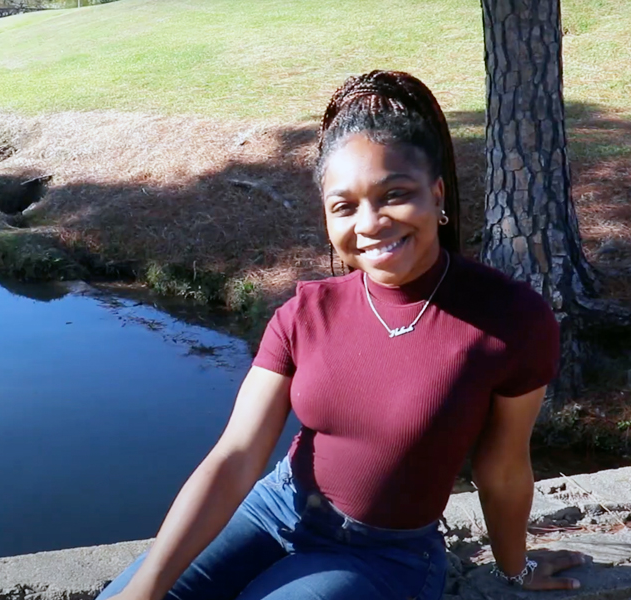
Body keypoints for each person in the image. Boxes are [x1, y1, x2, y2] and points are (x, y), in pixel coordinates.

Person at [96, 70, 585, 600]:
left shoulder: (510, 319)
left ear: (437, 195)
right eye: (345, 206)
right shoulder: (307, 313)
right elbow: (236, 456)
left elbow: (503, 469)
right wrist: (144, 589)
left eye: (394, 194)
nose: (371, 223)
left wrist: (514, 569)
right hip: (272, 511)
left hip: (382, 555)